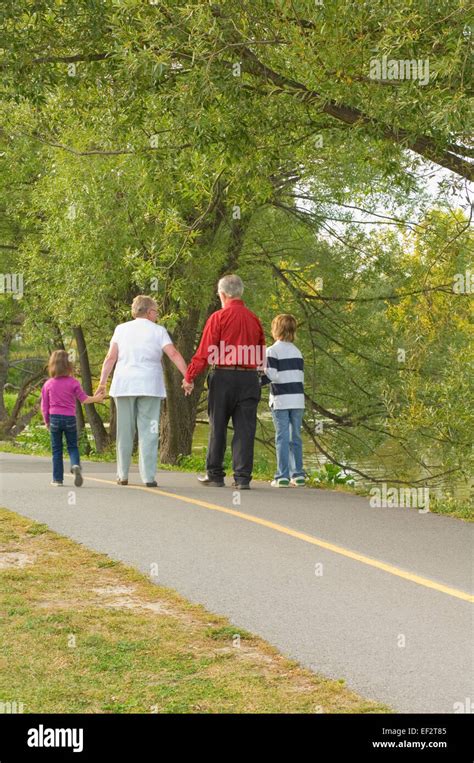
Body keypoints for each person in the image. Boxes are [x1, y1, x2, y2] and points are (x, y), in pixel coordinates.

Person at [96, 295, 189, 487]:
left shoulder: (121, 329)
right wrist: (187, 376)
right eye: (155, 311)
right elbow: (173, 353)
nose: (157, 315)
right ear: (148, 312)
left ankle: (122, 475)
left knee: (124, 431)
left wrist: (103, 383)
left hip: (124, 385)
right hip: (150, 386)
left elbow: (110, 357)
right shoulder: (158, 331)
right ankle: (148, 477)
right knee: (150, 431)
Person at [182, 274, 265, 489]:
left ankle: (215, 474)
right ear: (240, 293)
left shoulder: (218, 318)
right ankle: (242, 478)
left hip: (224, 377)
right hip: (248, 378)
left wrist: (189, 376)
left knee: (218, 426)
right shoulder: (254, 319)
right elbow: (261, 352)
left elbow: (204, 352)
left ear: (222, 294)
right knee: (245, 429)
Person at [41, 349, 105, 487]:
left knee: (57, 449)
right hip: (70, 418)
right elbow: (84, 399)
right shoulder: (73, 382)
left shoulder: (48, 384)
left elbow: (44, 406)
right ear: (68, 365)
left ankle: (57, 479)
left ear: (52, 365)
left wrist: (47, 421)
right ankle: (75, 465)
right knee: (72, 447)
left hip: (54, 419)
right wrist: (97, 398)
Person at [262, 314, 306, 487]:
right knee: (295, 437)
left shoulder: (272, 351)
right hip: (297, 400)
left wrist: (261, 369)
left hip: (280, 400)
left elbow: (272, 375)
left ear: (276, 330)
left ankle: (282, 476)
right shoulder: (297, 352)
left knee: (282, 437)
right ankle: (298, 474)